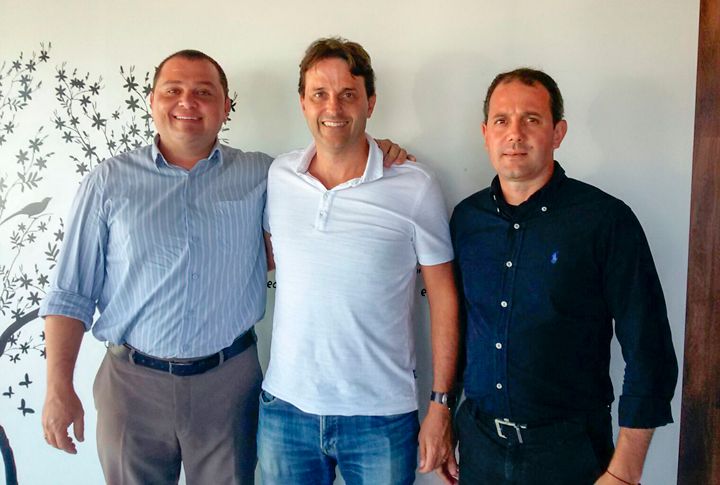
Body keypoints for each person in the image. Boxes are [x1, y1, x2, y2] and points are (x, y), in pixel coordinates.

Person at [39, 49, 409, 485]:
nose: (187, 102)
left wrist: (378, 151)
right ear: (152, 100)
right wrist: (58, 388)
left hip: (229, 385)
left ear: (226, 105)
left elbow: (331, 175)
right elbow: (70, 294)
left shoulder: (265, 174)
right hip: (131, 386)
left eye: (203, 92)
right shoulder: (107, 181)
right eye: (173, 90)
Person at [449, 68, 678, 485]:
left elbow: (650, 349)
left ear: (558, 132)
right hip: (479, 446)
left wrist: (625, 471)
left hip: (571, 453)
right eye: (501, 120)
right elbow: (460, 329)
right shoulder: (466, 219)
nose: (514, 134)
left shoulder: (605, 221)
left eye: (531, 119)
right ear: (485, 133)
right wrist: (444, 416)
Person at [258, 37, 460, 485]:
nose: (333, 107)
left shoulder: (415, 185)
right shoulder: (279, 176)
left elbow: (444, 298)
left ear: (370, 102)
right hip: (285, 411)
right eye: (319, 94)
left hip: (380, 418)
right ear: (303, 103)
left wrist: (441, 405)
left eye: (348, 94)